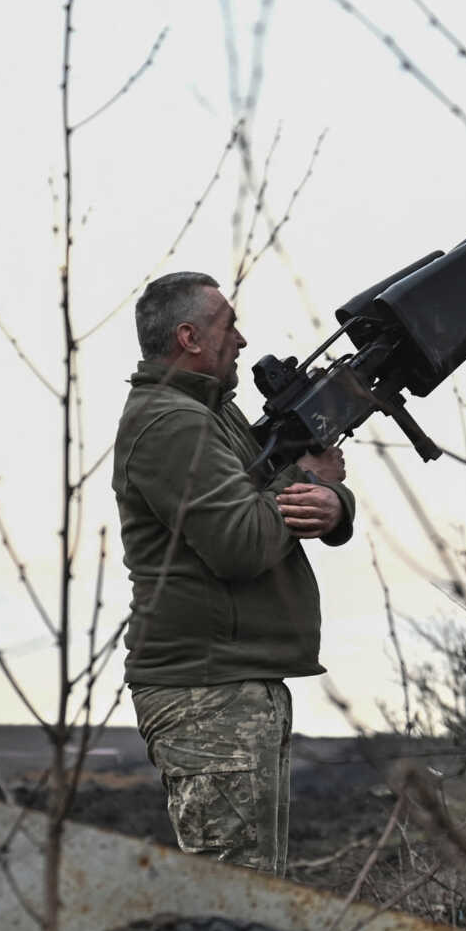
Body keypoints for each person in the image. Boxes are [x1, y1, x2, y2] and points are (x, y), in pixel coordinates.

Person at [114, 270, 353, 874]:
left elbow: (278, 496)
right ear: (190, 337)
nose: (242, 341)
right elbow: (242, 540)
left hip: (233, 683)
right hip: (205, 692)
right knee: (234, 897)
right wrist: (316, 480)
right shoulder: (170, 422)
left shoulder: (213, 415)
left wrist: (334, 503)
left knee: (251, 896)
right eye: (230, 326)